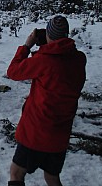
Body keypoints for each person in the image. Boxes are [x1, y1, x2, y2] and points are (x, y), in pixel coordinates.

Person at [6, 15, 86, 186]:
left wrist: (27, 46)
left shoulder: (44, 60)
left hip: (37, 132)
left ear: (48, 34)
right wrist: (48, 46)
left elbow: (13, 72)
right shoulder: (79, 59)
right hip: (60, 133)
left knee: (16, 173)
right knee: (52, 177)